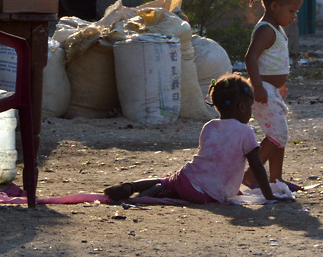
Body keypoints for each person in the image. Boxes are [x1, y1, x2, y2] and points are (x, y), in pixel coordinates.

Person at [104, 74, 292, 204]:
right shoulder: (246, 132)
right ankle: (165, 193)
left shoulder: (209, 126)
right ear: (243, 107)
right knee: (187, 192)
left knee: (167, 180)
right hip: (207, 193)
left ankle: (131, 186)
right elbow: (257, 167)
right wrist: (269, 196)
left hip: (187, 177)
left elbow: (213, 161)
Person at [242, 0, 305, 191]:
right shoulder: (266, 29)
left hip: (270, 89)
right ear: (275, 5)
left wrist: (279, 84)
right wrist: (259, 86)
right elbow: (251, 58)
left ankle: (275, 180)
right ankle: (250, 177)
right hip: (262, 90)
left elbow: (271, 61)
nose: (294, 16)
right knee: (277, 134)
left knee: (278, 134)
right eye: (291, 10)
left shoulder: (276, 28)